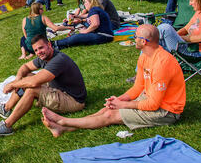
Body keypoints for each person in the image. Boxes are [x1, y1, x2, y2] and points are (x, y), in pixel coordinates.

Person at [41, 24, 186, 137]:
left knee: (110, 115)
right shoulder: (144, 56)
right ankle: (63, 128)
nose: (133, 38)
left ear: (144, 41)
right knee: (108, 108)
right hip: (151, 98)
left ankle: (62, 121)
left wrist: (122, 104)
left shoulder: (162, 63)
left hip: (166, 111)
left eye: (135, 36)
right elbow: (138, 87)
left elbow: (154, 105)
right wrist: (118, 99)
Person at [0, 34, 86, 136]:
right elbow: (25, 67)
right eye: (36, 50)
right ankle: (6, 108)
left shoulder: (59, 60)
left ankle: (7, 126)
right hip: (59, 90)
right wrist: (18, 79)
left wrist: (13, 84)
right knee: (26, 76)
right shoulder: (44, 57)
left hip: (73, 101)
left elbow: (34, 82)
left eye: (41, 48)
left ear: (49, 45)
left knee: (32, 89)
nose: (39, 52)